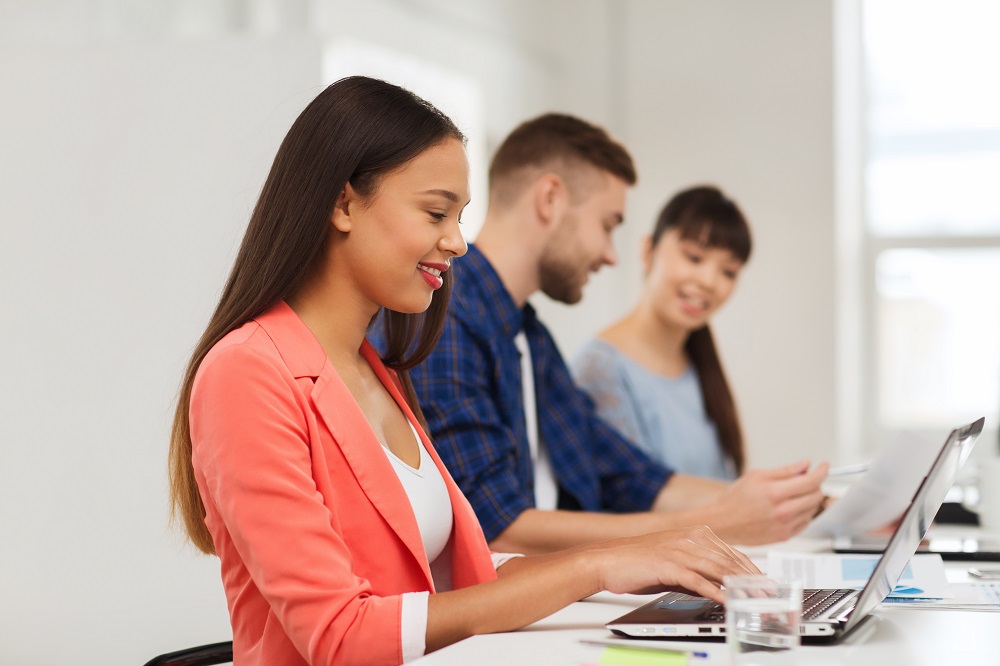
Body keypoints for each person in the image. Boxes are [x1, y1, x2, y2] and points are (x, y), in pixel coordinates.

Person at [167, 77, 757, 666]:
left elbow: (453, 580)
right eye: (435, 212)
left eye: (459, 215)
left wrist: (636, 564)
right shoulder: (245, 373)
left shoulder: (377, 371)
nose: (457, 242)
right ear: (343, 204)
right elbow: (341, 635)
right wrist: (596, 563)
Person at [404, 113, 828, 557]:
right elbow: (495, 527)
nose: (610, 255)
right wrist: (719, 522)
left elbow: (633, 477)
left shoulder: (531, 338)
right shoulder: (445, 316)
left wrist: (805, 503)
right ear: (550, 198)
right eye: (608, 225)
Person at [572, 185, 751, 481]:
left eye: (728, 272)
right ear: (648, 251)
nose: (708, 281)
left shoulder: (700, 363)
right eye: (694, 257)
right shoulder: (600, 370)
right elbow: (632, 501)